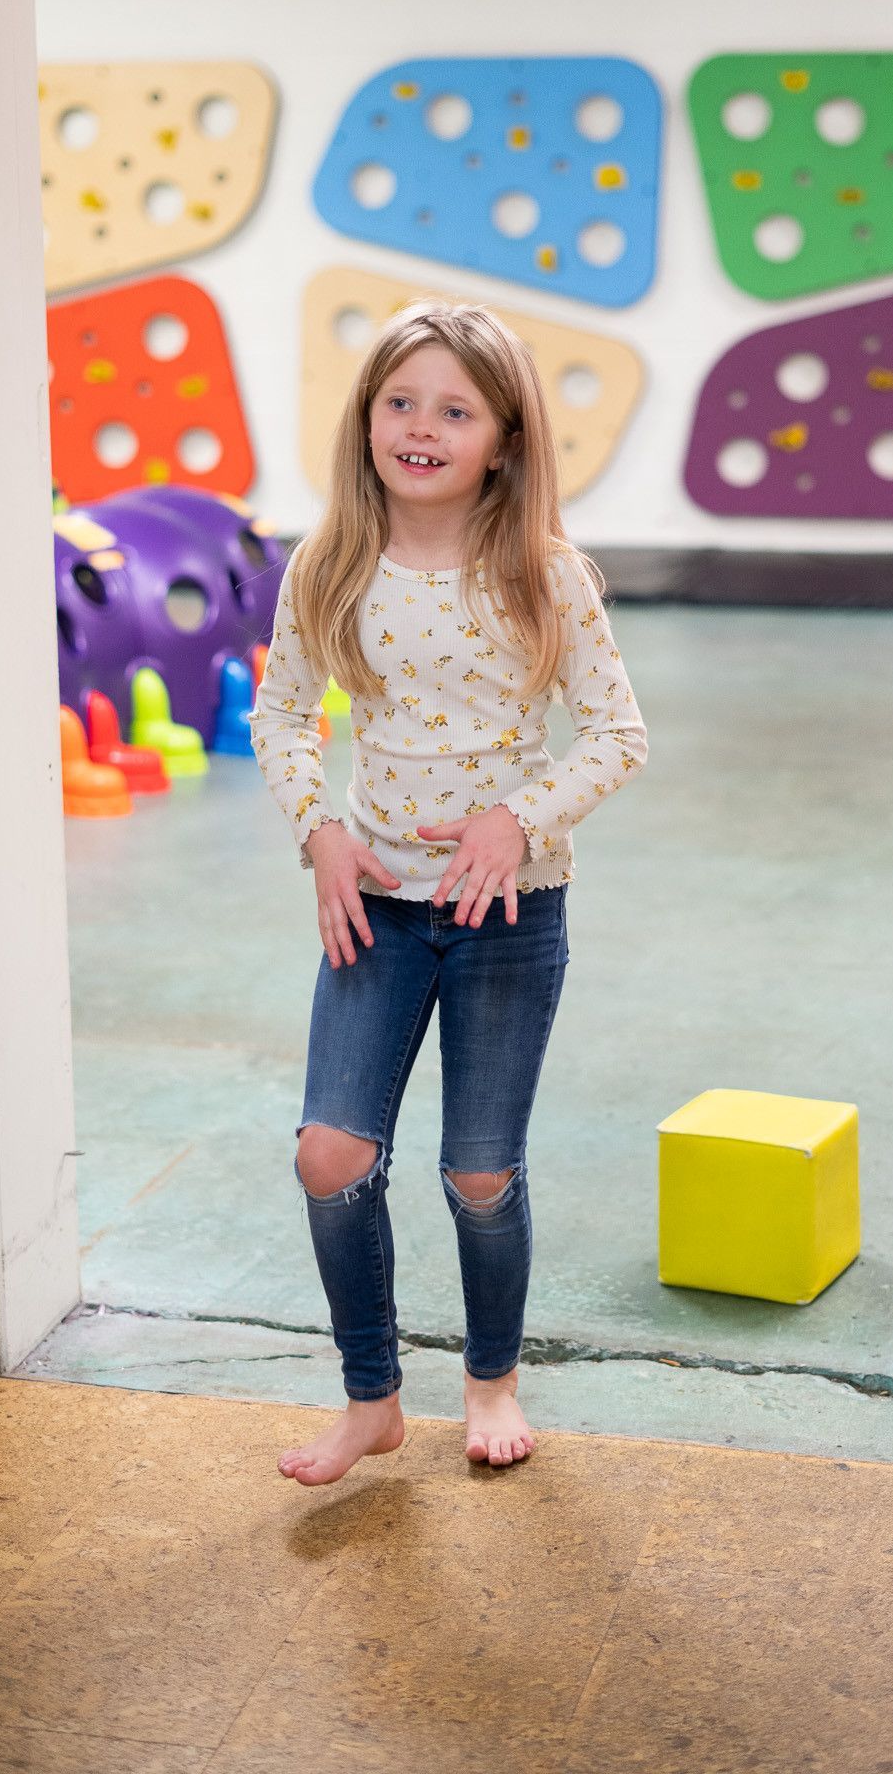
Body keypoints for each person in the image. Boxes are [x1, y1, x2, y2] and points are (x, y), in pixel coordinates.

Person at [249, 300, 647, 1485]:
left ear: (503, 438)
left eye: (454, 409)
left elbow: (617, 734)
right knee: (330, 1153)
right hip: (375, 904)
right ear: (366, 419)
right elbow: (280, 710)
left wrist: (512, 818)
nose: (420, 427)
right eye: (399, 402)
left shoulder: (545, 573)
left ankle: (490, 1378)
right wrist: (317, 829)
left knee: (478, 1170)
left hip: (508, 914)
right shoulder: (329, 563)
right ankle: (370, 1397)